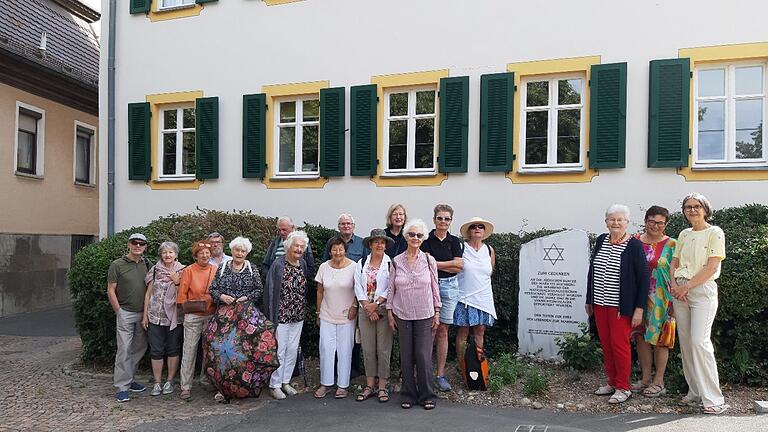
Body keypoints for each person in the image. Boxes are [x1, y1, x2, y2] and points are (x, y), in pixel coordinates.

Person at [669, 193, 729, 414]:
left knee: (699, 342)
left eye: (696, 206)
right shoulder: (684, 234)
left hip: (701, 290)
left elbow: (711, 267)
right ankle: (694, 392)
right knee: (685, 343)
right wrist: (675, 285)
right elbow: (674, 262)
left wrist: (686, 287)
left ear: (705, 209)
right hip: (680, 292)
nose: (692, 210)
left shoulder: (715, 233)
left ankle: (714, 399)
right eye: (688, 207)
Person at [586, 204, 649, 404]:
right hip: (599, 303)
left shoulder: (634, 245)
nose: (615, 223)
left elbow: (643, 279)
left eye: (620, 220)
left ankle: (623, 387)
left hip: (621, 307)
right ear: (606, 222)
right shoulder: (601, 240)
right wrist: (589, 298)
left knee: (620, 345)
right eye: (612, 219)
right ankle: (612, 382)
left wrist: (639, 308)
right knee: (606, 344)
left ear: (627, 222)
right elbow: (592, 271)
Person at [387, 219, 441, 410]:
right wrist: (389, 312)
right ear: (406, 236)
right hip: (402, 313)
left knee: (423, 355)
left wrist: (437, 311)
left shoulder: (429, 260)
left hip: (425, 313)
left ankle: (428, 395)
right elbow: (391, 288)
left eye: (419, 235)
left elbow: (435, 286)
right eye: (412, 234)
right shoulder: (396, 261)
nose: (415, 238)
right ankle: (408, 394)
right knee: (406, 355)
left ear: (423, 237)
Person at [207, 236, 267, 403]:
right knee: (222, 352)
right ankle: (222, 389)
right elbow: (213, 289)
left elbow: (258, 290)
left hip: (244, 317)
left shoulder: (251, 268)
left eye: (243, 251)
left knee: (242, 352)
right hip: (224, 318)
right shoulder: (223, 267)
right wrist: (222, 296)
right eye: (237, 250)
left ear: (246, 253)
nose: (239, 253)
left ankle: (241, 387)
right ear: (232, 251)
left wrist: (245, 298)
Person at [630, 206, 676, 398]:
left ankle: (659, 381)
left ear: (666, 224)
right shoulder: (634, 241)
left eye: (660, 222)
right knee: (640, 337)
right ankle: (645, 378)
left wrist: (674, 298)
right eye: (652, 221)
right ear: (645, 220)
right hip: (638, 297)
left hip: (662, 299)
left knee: (661, 339)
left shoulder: (673, 244)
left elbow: (678, 272)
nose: (656, 226)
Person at [420, 204, 463, 392]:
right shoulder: (425, 240)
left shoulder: (454, 241)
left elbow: (459, 267)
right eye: (440, 218)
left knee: (443, 330)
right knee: (429, 329)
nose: (443, 222)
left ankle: (440, 374)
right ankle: (425, 373)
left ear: (451, 221)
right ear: (434, 219)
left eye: (447, 219)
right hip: (429, 286)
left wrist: (435, 263)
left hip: (450, 287)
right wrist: (449, 263)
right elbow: (425, 265)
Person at [264, 230, 311, 400]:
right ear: (288, 247)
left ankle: (285, 381)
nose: (298, 249)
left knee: (292, 350)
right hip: (281, 316)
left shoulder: (303, 264)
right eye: (296, 246)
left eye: (301, 246)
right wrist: (270, 317)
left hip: (297, 315)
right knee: (280, 350)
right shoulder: (278, 264)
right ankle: (274, 385)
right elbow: (269, 292)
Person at [107, 233, 151, 403]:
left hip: (143, 313)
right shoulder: (117, 265)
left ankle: (130, 379)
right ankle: (122, 387)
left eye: (141, 244)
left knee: (139, 347)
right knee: (124, 348)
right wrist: (118, 311)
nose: (138, 246)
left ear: (145, 246)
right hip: (125, 312)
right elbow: (111, 289)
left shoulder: (147, 264)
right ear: (129, 244)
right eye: (135, 243)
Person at [313, 237, 358, 399]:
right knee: (326, 348)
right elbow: (319, 291)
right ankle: (325, 383)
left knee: (345, 350)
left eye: (340, 249)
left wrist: (354, 307)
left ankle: (343, 385)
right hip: (327, 314)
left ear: (345, 250)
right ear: (330, 251)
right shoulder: (324, 267)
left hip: (347, 315)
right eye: (334, 249)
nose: (337, 252)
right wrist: (318, 313)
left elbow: (358, 290)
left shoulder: (354, 267)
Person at [354, 229, 394, 403]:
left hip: (383, 310)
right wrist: (367, 307)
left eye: (382, 242)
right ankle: (370, 385)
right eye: (376, 242)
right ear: (370, 244)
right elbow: (357, 286)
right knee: (368, 350)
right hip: (365, 311)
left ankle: (383, 387)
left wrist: (375, 305)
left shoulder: (390, 263)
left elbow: (391, 287)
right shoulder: (361, 263)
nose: (379, 245)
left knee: (384, 350)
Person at [141, 241, 185, 397]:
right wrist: (145, 314)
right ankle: (157, 383)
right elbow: (148, 294)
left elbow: (184, 294)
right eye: (165, 252)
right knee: (156, 350)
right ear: (161, 254)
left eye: (171, 252)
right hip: (155, 316)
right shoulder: (155, 270)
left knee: (173, 349)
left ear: (176, 255)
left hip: (174, 317)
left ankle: (170, 380)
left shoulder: (182, 271)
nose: (168, 255)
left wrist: (177, 281)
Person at [177, 240, 217, 400]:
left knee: (208, 351)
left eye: (207, 253)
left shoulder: (215, 269)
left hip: (210, 314)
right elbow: (182, 294)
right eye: (201, 254)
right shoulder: (189, 270)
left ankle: (206, 380)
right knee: (189, 351)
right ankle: (185, 386)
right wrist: (186, 307)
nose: (205, 256)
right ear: (196, 256)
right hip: (193, 315)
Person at [455, 217, 497, 368]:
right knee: (463, 332)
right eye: (474, 227)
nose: (477, 229)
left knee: (480, 331)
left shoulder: (489, 250)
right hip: (465, 297)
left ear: (484, 231)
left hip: (483, 298)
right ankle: (462, 366)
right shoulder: (462, 248)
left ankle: (477, 364)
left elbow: (490, 272)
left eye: (481, 226)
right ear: (469, 231)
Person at [263, 216, 315, 280]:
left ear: (292, 228)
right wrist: (270, 277)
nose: (281, 232)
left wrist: (299, 278)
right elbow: (266, 264)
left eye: (284, 230)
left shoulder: (302, 242)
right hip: (276, 282)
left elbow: (310, 267)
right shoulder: (275, 243)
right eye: (279, 230)